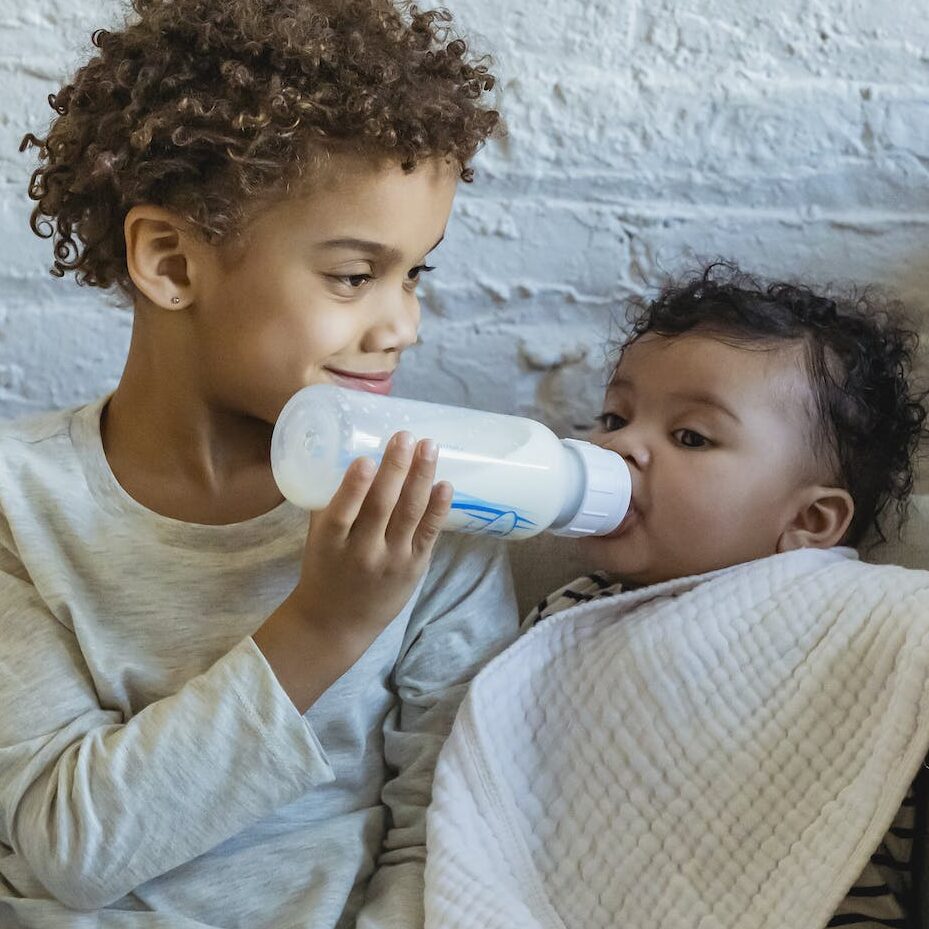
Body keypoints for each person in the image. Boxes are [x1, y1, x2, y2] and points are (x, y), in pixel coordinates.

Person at [0, 1, 518, 927]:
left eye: (416, 274)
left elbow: (442, 844)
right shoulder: (19, 505)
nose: (403, 325)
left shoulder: (445, 505)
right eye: (354, 276)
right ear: (170, 260)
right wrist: (322, 626)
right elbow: (70, 847)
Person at [424, 263, 929, 929]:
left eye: (689, 436)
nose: (620, 445)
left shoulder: (874, 617)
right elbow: (509, 786)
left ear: (808, 521)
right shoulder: (562, 618)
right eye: (613, 415)